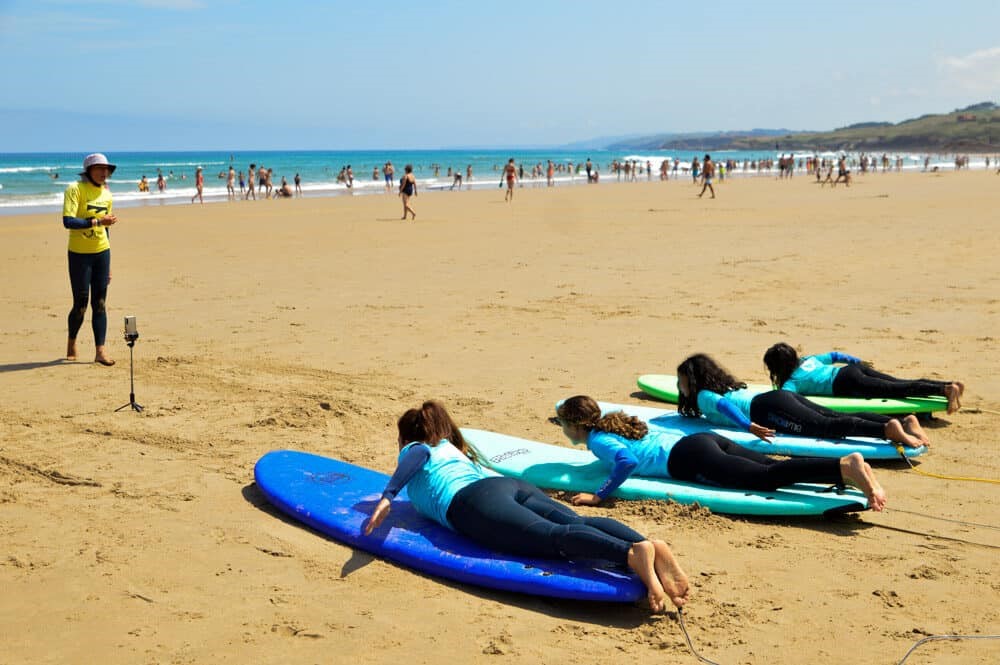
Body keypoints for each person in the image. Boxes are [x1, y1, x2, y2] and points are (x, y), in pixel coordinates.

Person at [363, 401, 690, 611]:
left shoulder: (417, 448)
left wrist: (387, 497)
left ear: (408, 436)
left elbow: (415, 456)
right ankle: (642, 544)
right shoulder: (454, 448)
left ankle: (629, 555)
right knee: (578, 522)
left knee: (554, 537)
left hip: (473, 503)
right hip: (509, 486)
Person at [556, 396, 887, 511]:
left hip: (689, 460)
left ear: (575, 425)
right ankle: (842, 469)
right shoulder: (613, 423)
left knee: (767, 479)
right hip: (703, 440)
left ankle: (846, 465)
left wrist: (600, 496)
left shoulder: (598, 440)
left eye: (561, 424)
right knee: (772, 467)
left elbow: (626, 462)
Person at [676, 353, 928, 448]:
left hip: (767, 410)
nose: (680, 386)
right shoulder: (726, 385)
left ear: (694, 381)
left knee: (825, 426)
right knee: (831, 415)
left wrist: (747, 426)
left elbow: (724, 406)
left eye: (682, 381)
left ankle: (886, 430)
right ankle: (902, 422)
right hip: (778, 398)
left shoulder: (703, 396)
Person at [763, 343, 964, 414]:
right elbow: (835, 355)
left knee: (897, 390)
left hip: (847, 383)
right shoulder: (808, 360)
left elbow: (783, 399)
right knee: (899, 383)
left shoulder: (793, 381)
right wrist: (859, 363)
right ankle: (947, 385)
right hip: (851, 370)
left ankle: (945, 391)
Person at [61, 153, 118, 366]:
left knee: (100, 303)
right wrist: (96, 221)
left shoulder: (107, 194)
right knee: (81, 304)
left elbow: (107, 229)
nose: (104, 173)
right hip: (79, 254)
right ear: (88, 171)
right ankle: (71, 341)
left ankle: (100, 351)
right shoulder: (75, 189)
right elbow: (68, 221)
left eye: (107, 170)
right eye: (99, 169)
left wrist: (109, 264)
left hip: (102, 252)